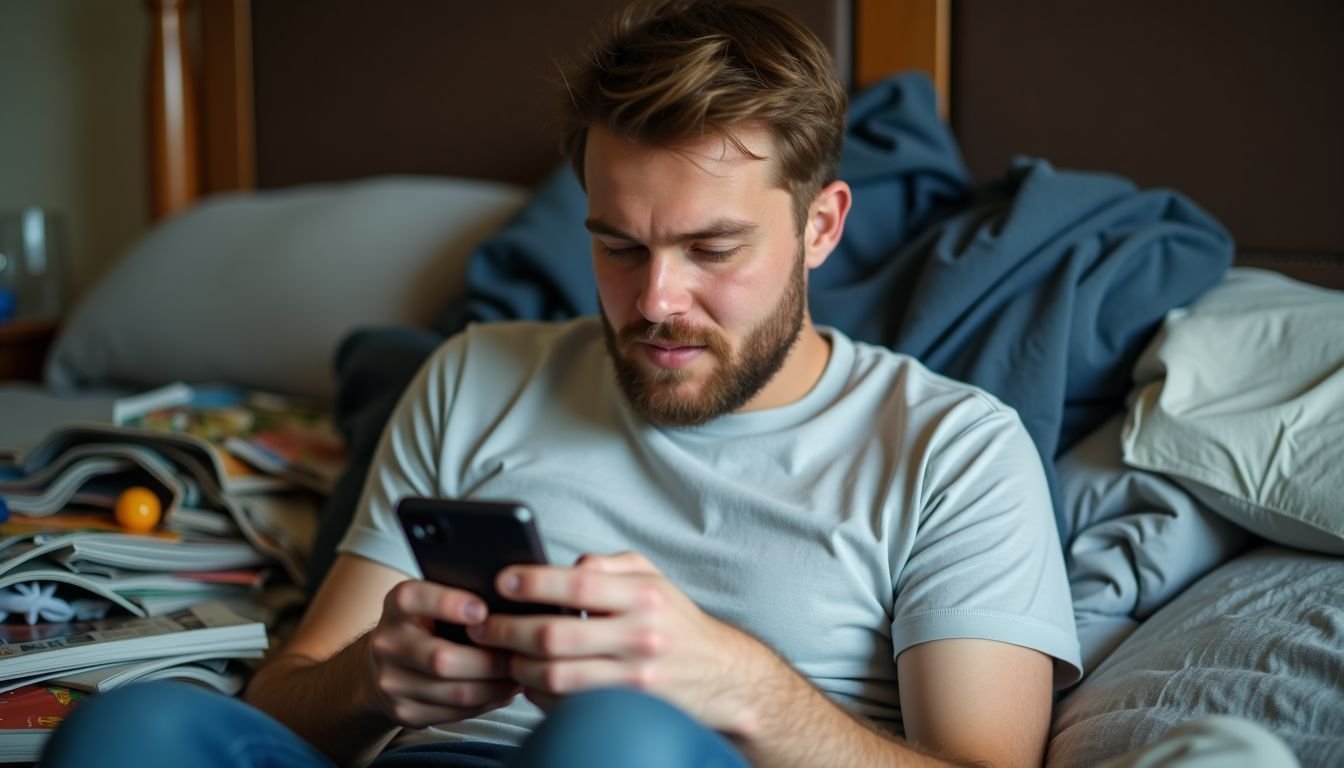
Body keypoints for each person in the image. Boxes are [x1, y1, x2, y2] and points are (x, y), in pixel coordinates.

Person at [41, 1, 1081, 766]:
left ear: (821, 227)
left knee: (613, 744)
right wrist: (373, 681)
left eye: (712, 250)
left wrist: (745, 689)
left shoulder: (954, 448)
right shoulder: (475, 375)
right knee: (132, 726)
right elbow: (285, 701)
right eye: (619, 246)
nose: (657, 299)